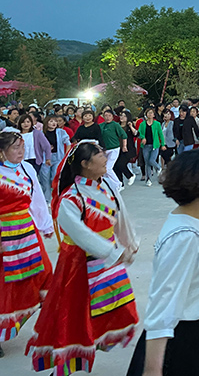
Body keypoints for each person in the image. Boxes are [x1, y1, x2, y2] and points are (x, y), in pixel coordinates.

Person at [126, 150, 199, 376]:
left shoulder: (198, 222)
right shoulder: (184, 237)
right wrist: (152, 370)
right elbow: (163, 305)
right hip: (180, 343)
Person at [27, 140, 139, 374]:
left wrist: (129, 243)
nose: (105, 156)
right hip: (77, 265)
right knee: (73, 318)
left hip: (105, 261)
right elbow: (79, 234)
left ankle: (94, 342)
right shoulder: (71, 197)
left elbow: (121, 216)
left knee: (114, 311)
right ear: (85, 164)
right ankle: (65, 365)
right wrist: (111, 252)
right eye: (99, 154)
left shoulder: (106, 187)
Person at [0, 132, 54, 358]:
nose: (21, 152)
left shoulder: (27, 169)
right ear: (2, 152)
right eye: (15, 148)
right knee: (5, 286)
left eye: (22, 147)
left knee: (44, 273)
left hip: (27, 232)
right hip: (4, 235)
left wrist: (45, 225)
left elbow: (37, 198)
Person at [42, 116, 71, 198]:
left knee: (55, 176)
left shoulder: (61, 132)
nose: (54, 123)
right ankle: (47, 198)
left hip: (58, 157)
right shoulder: (41, 133)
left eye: (55, 121)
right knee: (45, 178)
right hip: (45, 158)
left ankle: (55, 196)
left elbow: (68, 143)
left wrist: (66, 154)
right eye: (51, 121)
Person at [100, 109, 128, 193]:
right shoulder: (101, 126)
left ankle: (118, 183)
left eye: (109, 115)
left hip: (114, 148)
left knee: (108, 168)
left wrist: (124, 146)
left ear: (112, 116)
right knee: (103, 170)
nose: (107, 117)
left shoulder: (115, 125)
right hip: (104, 149)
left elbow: (124, 135)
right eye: (106, 116)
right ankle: (108, 185)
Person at [139, 108, 165, 187]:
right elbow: (139, 133)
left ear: (154, 115)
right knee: (147, 163)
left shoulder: (157, 124)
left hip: (155, 145)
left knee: (151, 160)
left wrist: (162, 144)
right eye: (148, 113)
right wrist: (143, 137)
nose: (150, 114)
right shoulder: (143, 124)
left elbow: (161, 134)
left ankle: (158, 168)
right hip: (146, 146)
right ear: (146, 114)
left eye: (151, 113)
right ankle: (148, 179)